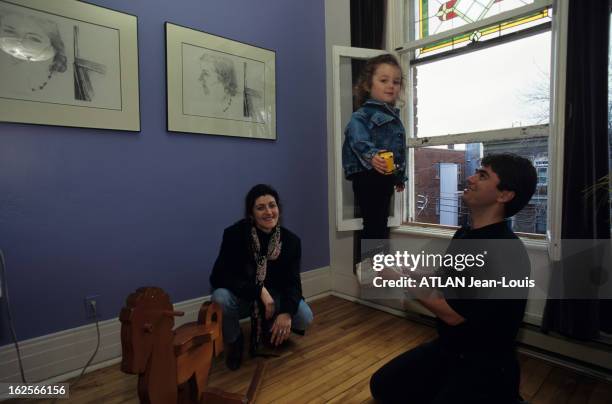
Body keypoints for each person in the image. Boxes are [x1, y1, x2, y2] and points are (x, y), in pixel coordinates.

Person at [369, 153, 538, 404]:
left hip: (485, 363)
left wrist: (400, 281)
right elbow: (444, 279)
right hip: (450, 348)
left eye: (482, 176)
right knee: (382, 385)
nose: (469, 178)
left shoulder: (505, 250)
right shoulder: (466, 234)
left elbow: (453, 314)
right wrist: (408, 270)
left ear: (504, 195)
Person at [210, 184, 314, 370]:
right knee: (220, 297)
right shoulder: (235, 235)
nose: (268, 212)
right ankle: (235, 341)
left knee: (304, 316)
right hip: (244, 295)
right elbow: (218, 276)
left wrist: (286, 313)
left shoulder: (291, 242)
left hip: (275, 296)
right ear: (251, 213)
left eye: (272, 205)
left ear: (279, 209)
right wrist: (259, 290)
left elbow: (293, 284)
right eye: (260, 207)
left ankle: (271, 329)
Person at [341, 54, 407, 263]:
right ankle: (370, 265)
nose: (391, 86)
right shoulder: (362, 115)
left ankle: (379, 263)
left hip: (384, 176)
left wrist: (399, 177)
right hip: (367, 175)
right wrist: (372, 156)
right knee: (373, 221)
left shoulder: (394, 117)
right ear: (368, 85)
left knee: (380, 221)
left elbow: (398, 150)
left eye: (396, 82)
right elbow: (357, 138)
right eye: (384, 80)